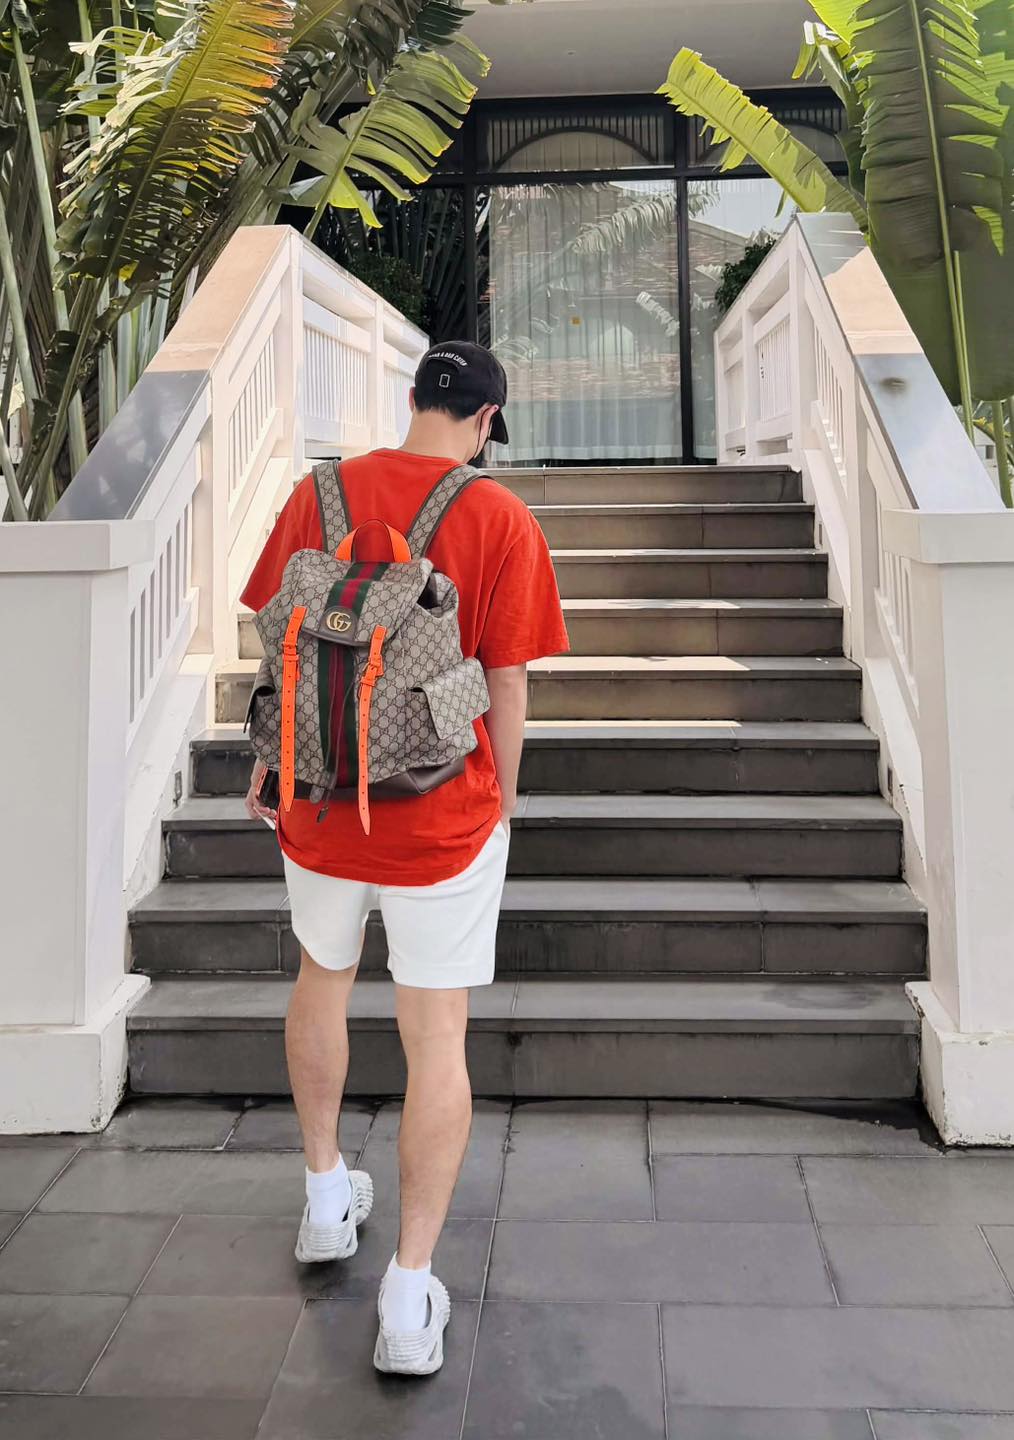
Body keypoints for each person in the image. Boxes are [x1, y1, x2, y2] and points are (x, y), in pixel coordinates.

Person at [239, 340, 569, 1375]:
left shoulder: (320, 493)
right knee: (436, 1036)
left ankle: (324, 1198)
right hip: (440, 816)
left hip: (321, 802)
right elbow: (506, 682)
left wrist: (271, 758)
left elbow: (275, 633)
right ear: (486, 421)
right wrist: (500, 805)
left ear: (415, 397)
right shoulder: (497, 515)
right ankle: (410, 1294)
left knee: (321, 981)